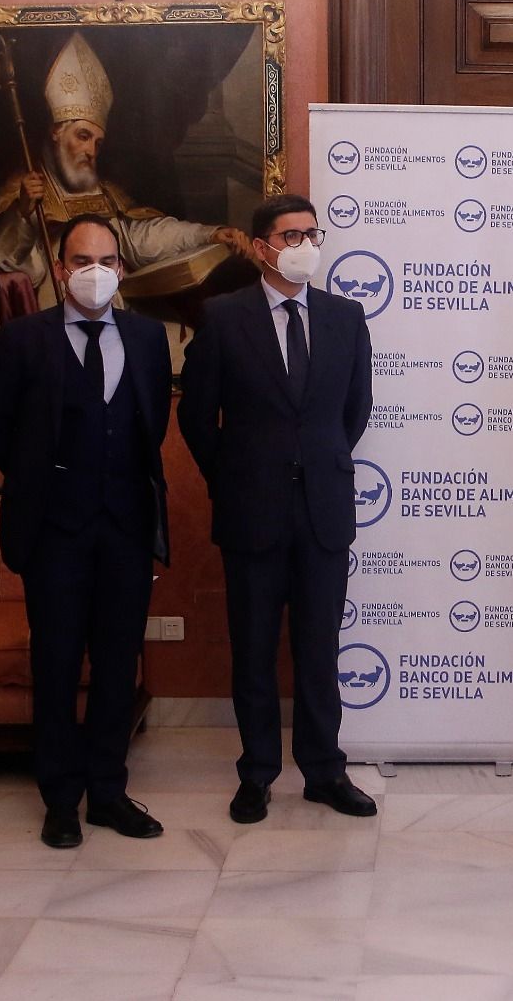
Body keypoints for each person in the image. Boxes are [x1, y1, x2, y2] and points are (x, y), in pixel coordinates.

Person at [178, 194, 376, 824]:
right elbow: (195, 416)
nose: (304, 245)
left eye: (312, 234)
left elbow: (354, 411)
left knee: (320, 649)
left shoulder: (345, 318)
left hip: (323, 510)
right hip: (251, 512)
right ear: (262, 248)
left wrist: (318, 461)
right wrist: (233, 476)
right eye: (291, 236)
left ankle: (324, 772)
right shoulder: (224, 317)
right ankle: (257, 772)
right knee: (255, 650)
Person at [0, 214, 173, 848]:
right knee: (57, 664)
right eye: (82, 260)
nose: (96, 272)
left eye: (108, 261)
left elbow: (152, 425)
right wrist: (48, 478)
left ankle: (109, 792)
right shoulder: (21, 339)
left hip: (125, 526)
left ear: (121, 269)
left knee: (119, 664)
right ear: (59, 269)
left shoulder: (146, 338)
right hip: (54, 531)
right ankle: (60, 797)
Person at [0, 31, 248, 311]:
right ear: (55, 134)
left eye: (97, 142)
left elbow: (143, 239)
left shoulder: (105, 193)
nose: (91, 150)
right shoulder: (26, 193)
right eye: (83, 136)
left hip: (114, 310)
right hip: (54, 314)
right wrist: (23, 216)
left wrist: (208, 234)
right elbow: (1, 261)